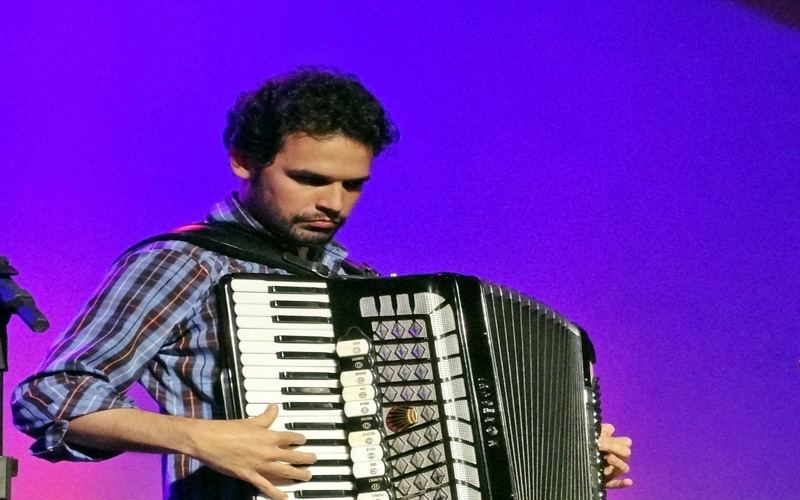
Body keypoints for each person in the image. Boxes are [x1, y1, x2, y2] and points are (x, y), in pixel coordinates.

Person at [11, 67, 632, 500]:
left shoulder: (353, 285)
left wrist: (565, 459)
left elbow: (419, 449)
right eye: (309, 178)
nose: (333, 203)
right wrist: (203, 439)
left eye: (352, 185)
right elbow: (51, 397)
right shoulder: (186, 262)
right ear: (245, 160)